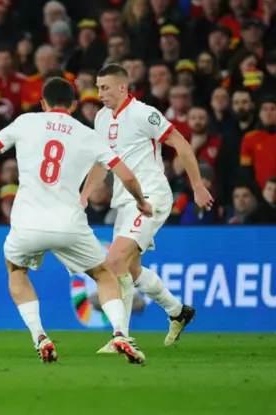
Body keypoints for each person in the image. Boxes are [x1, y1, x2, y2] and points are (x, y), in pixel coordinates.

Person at [0, 77, 151, 365]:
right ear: (73, 105)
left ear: (43, 104)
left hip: (27, 223)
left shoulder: (25, 122)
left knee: (16, 269)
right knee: (103, 274)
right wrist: (141, 201)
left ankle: (39, 336)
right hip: (70, 224)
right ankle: (120, 333)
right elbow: (126, 175)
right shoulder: (89, 135)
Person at [85, 64, 214, 353]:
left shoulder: (144, 113)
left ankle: (122, 336)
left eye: (105, 87)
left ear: (122, 87)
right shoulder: (102, 118)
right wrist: (84, 196)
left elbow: (180, 142)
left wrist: (196, 186)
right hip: (124, 200)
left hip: (150, 197)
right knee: (130, 267)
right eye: (97, 87)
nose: (99, 93)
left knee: (115, 259)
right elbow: (99, 162)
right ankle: (178, 311)